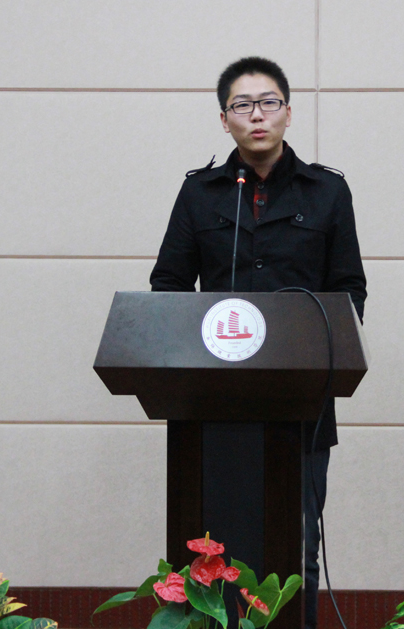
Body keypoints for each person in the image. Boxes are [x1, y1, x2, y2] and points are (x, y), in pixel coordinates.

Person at [150, 56, 367, 629]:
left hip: (301, 406)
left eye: (269, 102)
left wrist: (321, 359)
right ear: (225, 120)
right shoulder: (200, 194)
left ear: (288, 113)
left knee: (298, 550)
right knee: (210, 555)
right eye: (242, 105)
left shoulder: (327, 192)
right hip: (212, 406)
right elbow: (168, 287)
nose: (257, 115)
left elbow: (350, 292)